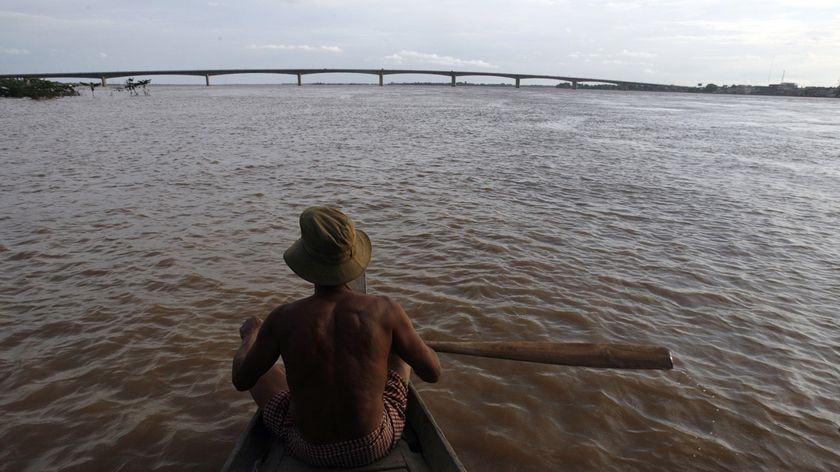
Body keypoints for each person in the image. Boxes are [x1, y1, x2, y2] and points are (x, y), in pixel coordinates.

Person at [232, 206, 441, 468]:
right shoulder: (386, 310)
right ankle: (401, 345)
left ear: (306, 261)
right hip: (372, 444)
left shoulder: (283, 318)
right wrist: (414, 343)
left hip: (309, 449)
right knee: (399, 353)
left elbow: (241, 380)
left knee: (258, 369)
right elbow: (433, 372)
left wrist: (250, 336)